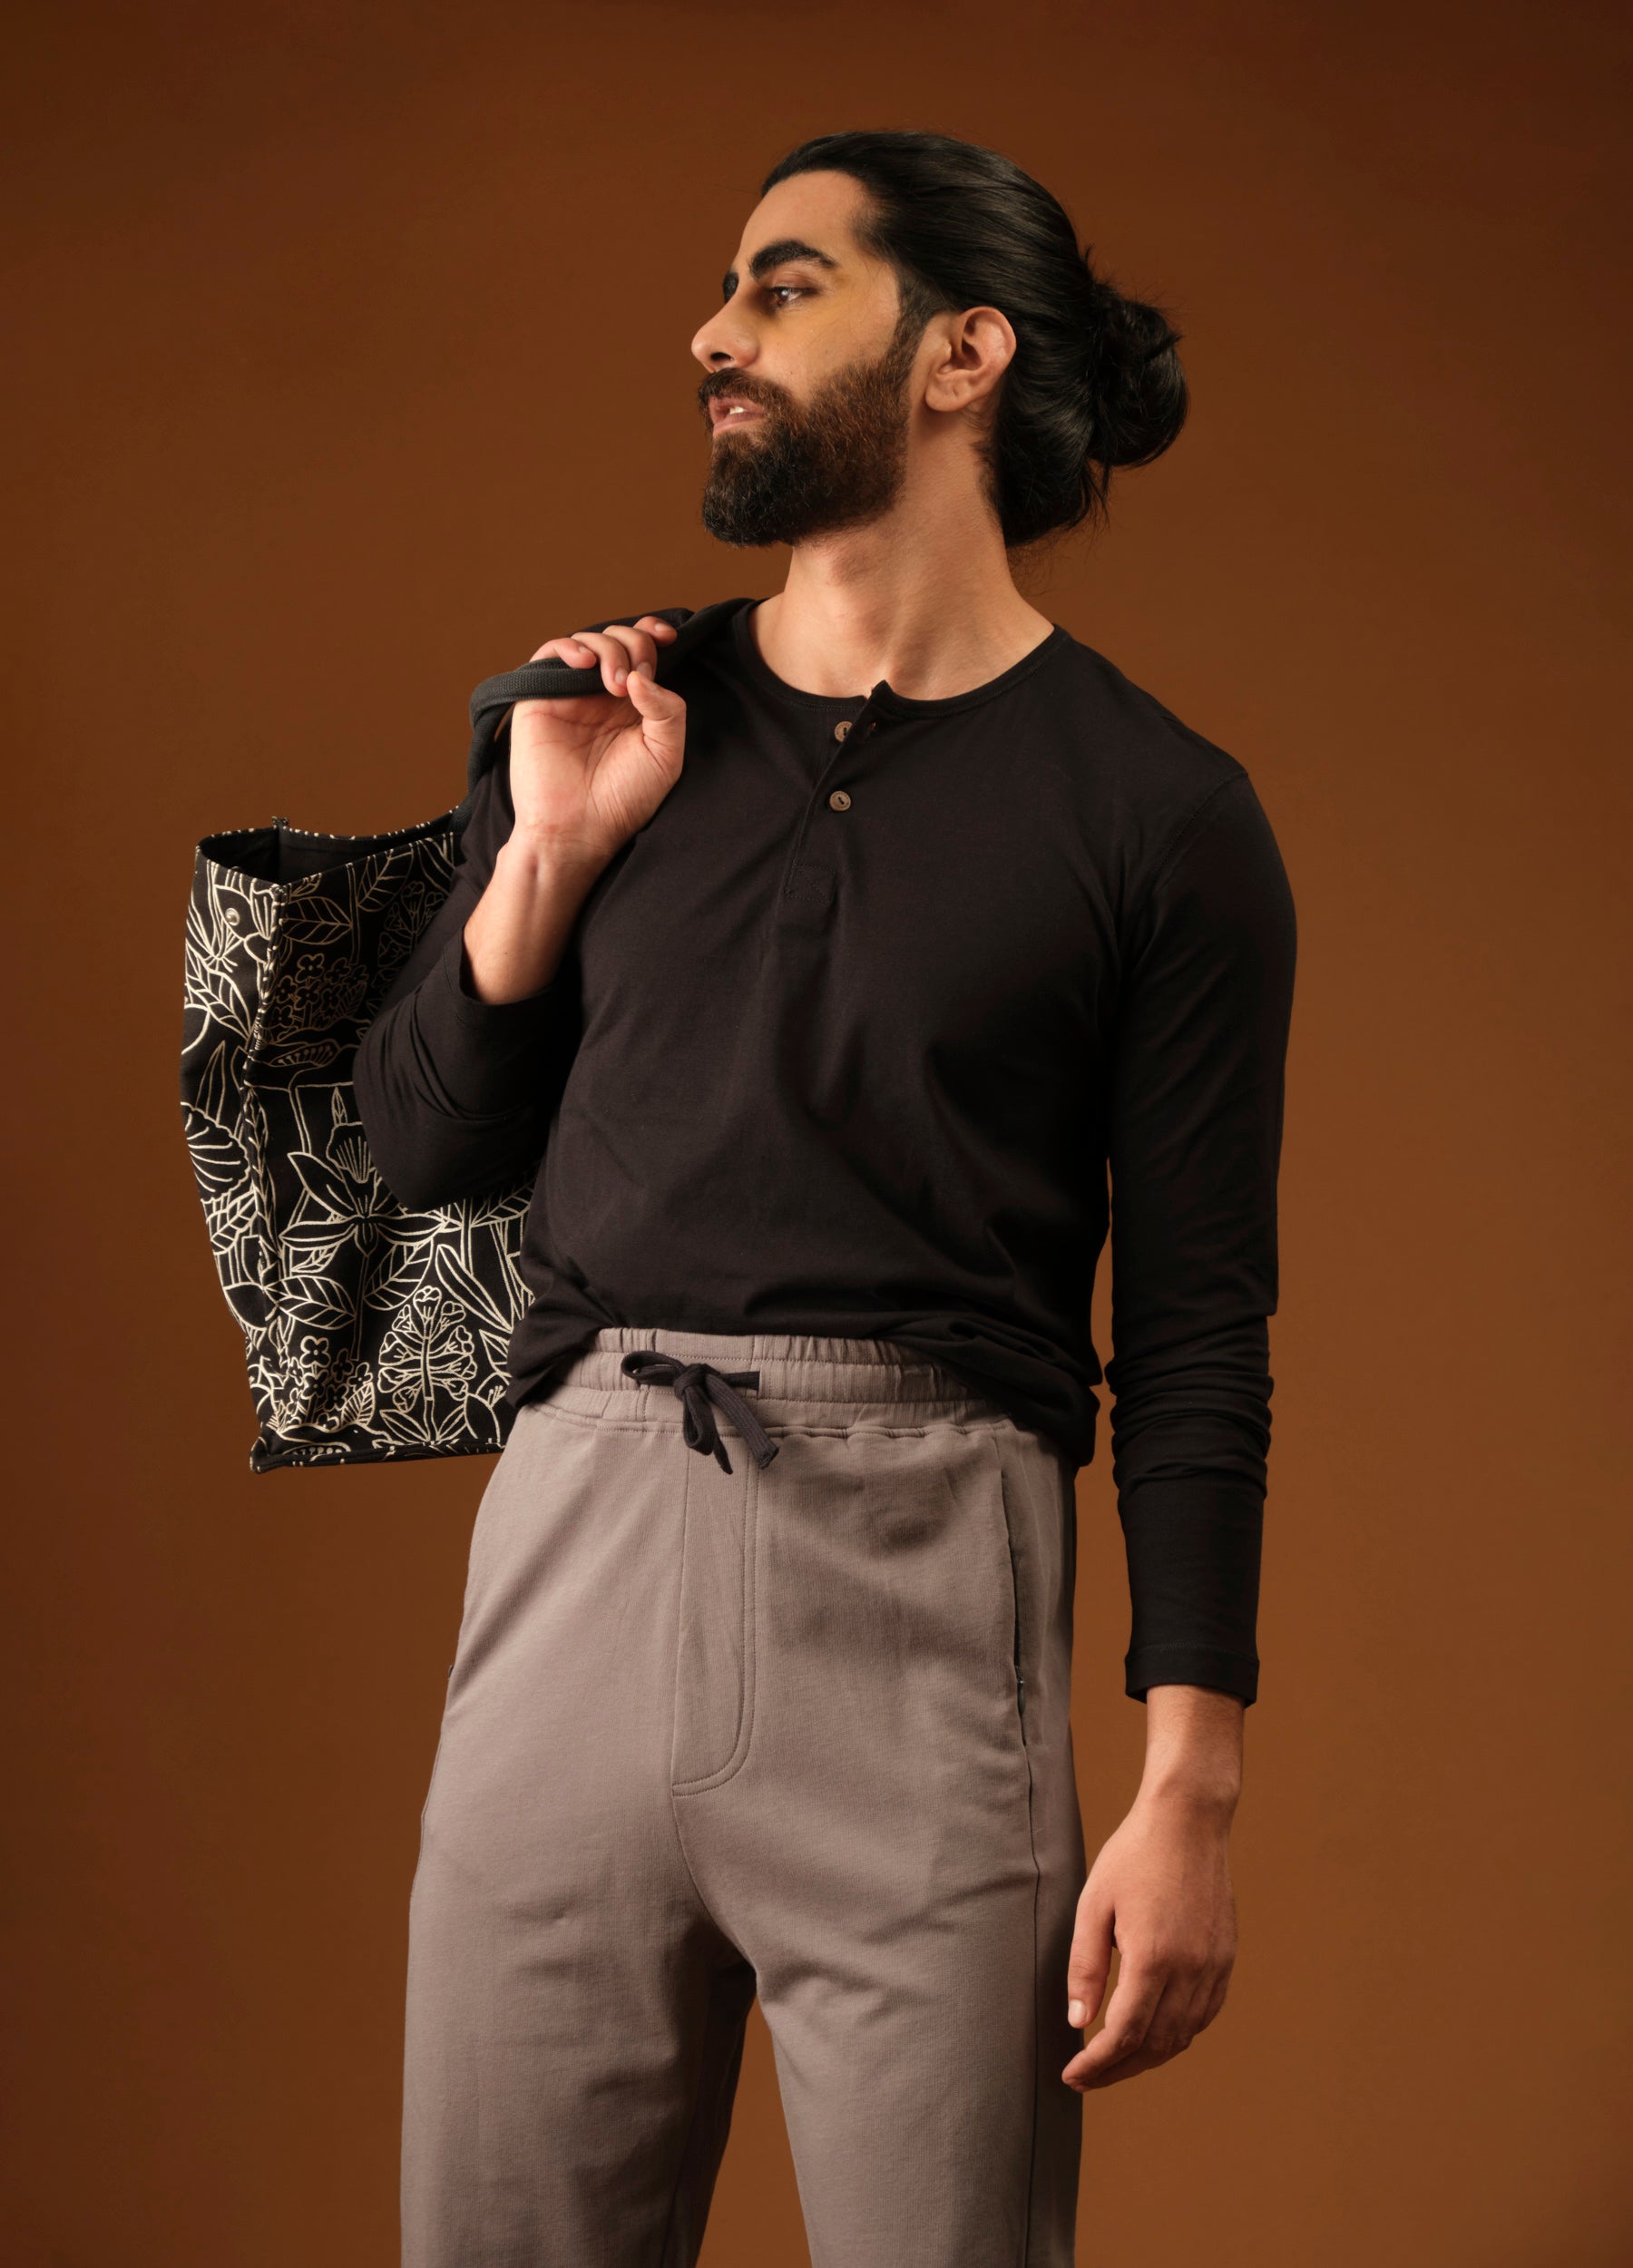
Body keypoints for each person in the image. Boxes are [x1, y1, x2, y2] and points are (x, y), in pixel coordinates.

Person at [354, 127, 1297, 2268]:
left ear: (964, 351)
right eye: (727, 289)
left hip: (929, 1603)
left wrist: (1190, 1783)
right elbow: (420, 1147)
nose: (714, 332)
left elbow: (1197, 1334)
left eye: (784, 286)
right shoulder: (602, 717)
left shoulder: (1160, 816)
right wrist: (550, 853)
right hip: (576, 1567)